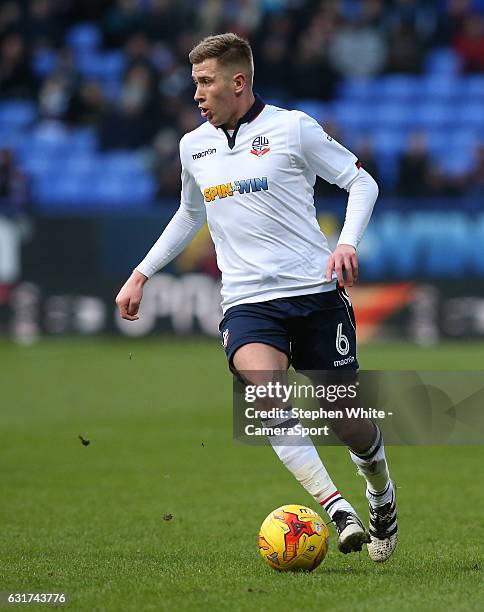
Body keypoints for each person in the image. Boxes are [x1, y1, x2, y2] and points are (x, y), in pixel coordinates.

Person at [115, 33, 397, 562]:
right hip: (247, 302)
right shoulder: (192, 146)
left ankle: (380, 491)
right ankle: (336, 509)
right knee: (264, 392)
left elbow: (362, 184)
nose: (196, 93)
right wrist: (142, 273)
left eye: (205, 82)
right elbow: (191, 214)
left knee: (346, 419)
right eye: (194, 82)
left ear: (238, 82)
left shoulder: (293, 129)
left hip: (314, 294)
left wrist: (346, 243)